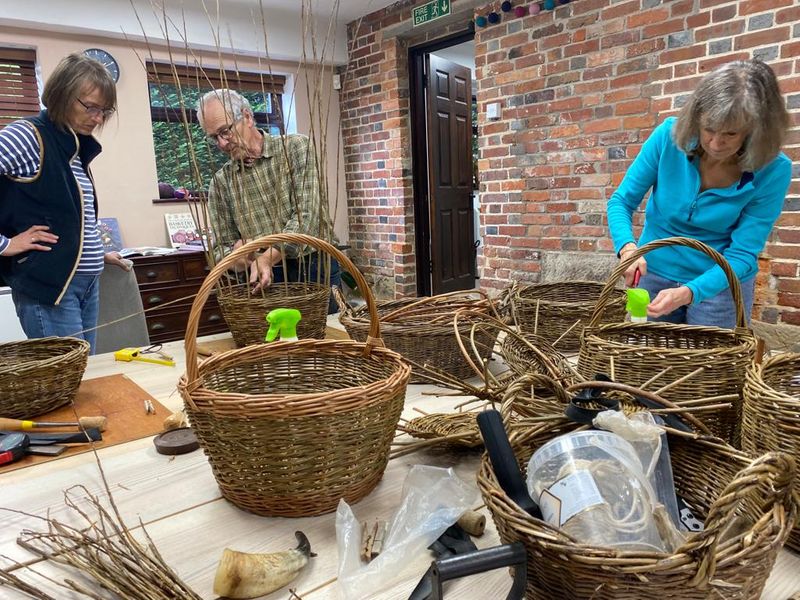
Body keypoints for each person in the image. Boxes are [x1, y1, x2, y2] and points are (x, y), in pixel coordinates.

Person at [607, 59, 792, 328]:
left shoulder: (773, 170)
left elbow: (742, 254)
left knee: (711, 366)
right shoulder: (667, 138)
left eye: (730, 133)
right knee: (648, 360)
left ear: (756, 131)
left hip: (721, 282)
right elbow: (621, 201)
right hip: (655, 271)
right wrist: (627, 249)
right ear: (696, 117)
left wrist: (689, 293)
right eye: (708, 129)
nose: (716, 143)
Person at [0, 52, 129, 353]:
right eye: (90, 107)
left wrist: (95, 251)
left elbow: (68, 213)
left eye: (104, 111)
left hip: (85, 284)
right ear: (62, 94)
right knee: (69, 384)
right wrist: (6, 244)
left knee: (85, 376)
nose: (98, 118)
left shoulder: (72, 146)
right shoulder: (27, 136)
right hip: (51, 289)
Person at [196, 89, 341, 313]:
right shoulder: (221, 182)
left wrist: (267, 256)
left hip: (314, 265)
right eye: (214, 137)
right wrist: (240, 257)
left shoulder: (295, 148)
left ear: (247, 117)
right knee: (276, 345)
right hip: (265, 277)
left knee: (327, 339)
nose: (222, 143)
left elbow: (307, 218)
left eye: (225, 131)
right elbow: (220, 249)